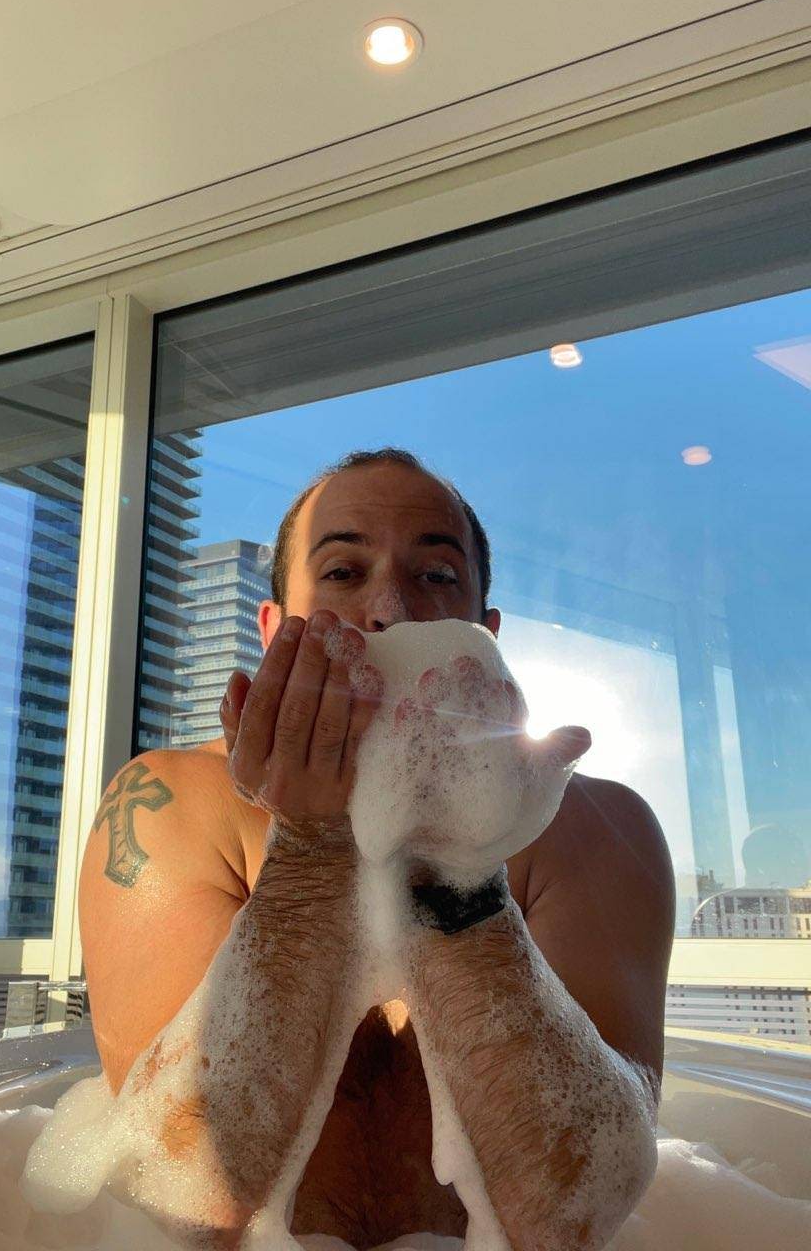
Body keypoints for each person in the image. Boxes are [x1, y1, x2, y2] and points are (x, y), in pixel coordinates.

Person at [79, 448, 675, 1249]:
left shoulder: (600, 828)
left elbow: (572, 1212)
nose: (390, 610)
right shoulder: (174, 805)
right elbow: (185, 1194)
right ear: (273, 631)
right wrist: (311, 856)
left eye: (435, 575)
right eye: (343, 572)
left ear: (486, 634)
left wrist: (456, 872)